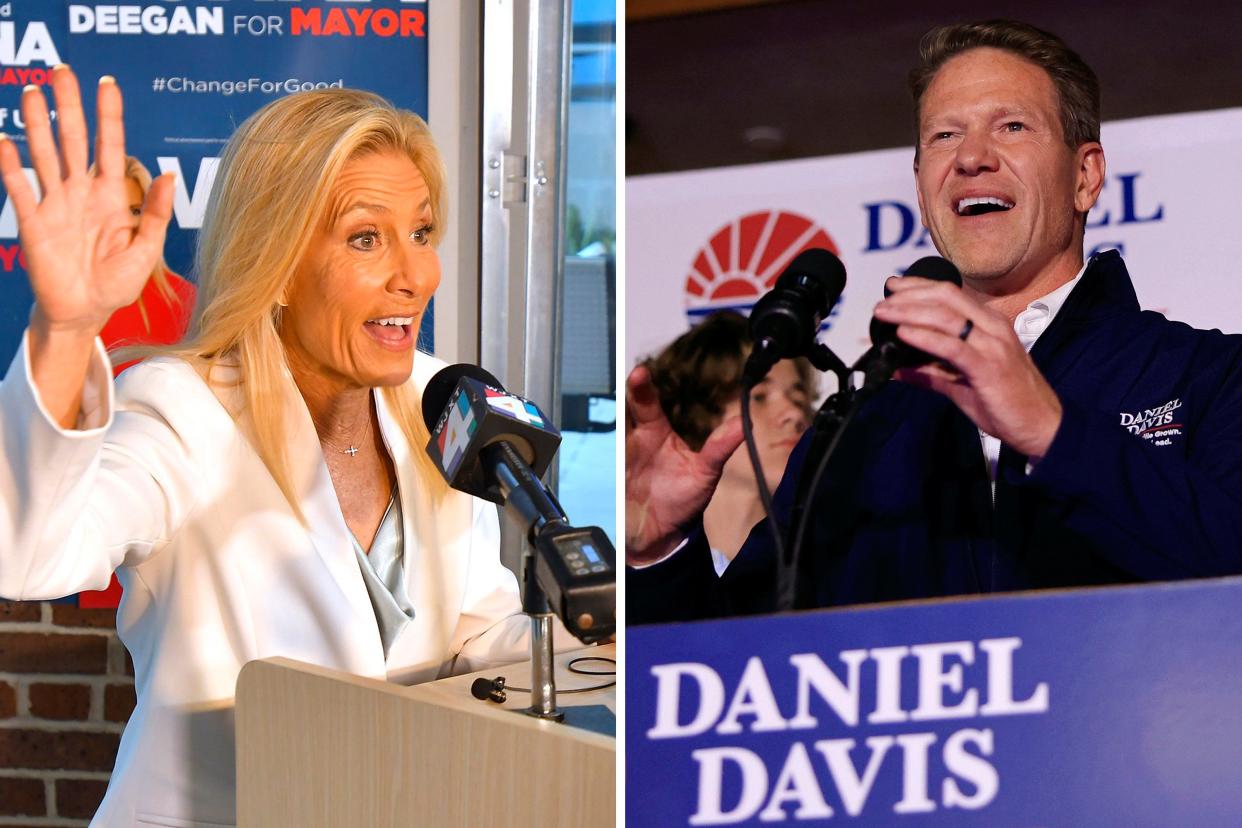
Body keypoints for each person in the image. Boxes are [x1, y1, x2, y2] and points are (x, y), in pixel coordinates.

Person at [0, 68, 548, 826]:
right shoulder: (182, 408)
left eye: (421, 233)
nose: (416, 275)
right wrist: (64, 329)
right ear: (280, 262)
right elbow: (28, 557)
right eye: (367, 238)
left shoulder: (439, 404)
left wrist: (595, 642)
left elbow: (471, 637)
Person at [627, 20, 1242, 621]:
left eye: (1012, 126)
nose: (972, 157)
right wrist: (661, 557)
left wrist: (1054, 431)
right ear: (921, 188)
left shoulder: (1212, 375)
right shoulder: (855, 428)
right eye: (944, 136)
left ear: (1086, 176)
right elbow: (742, 672)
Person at [639, 310, 814, 570]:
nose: (795, 414)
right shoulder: (652, 572)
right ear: (695, 417)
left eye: (799, 399)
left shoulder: (826, 568)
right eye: (759, 397)